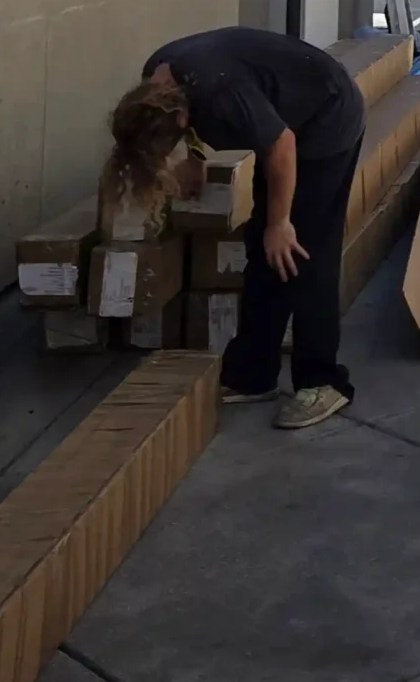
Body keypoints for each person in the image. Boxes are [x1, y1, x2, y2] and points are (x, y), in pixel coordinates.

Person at [106, 27, 365, 429]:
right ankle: (252, 374)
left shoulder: (220, 92)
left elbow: (282, 145)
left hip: (326, 119)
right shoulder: (156, 80)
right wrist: (193, 154)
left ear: (178, 116)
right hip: (286, 118)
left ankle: (323, 380)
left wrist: (280, 223)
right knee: (263, 252)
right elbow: (190, 119)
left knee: (304, 252)